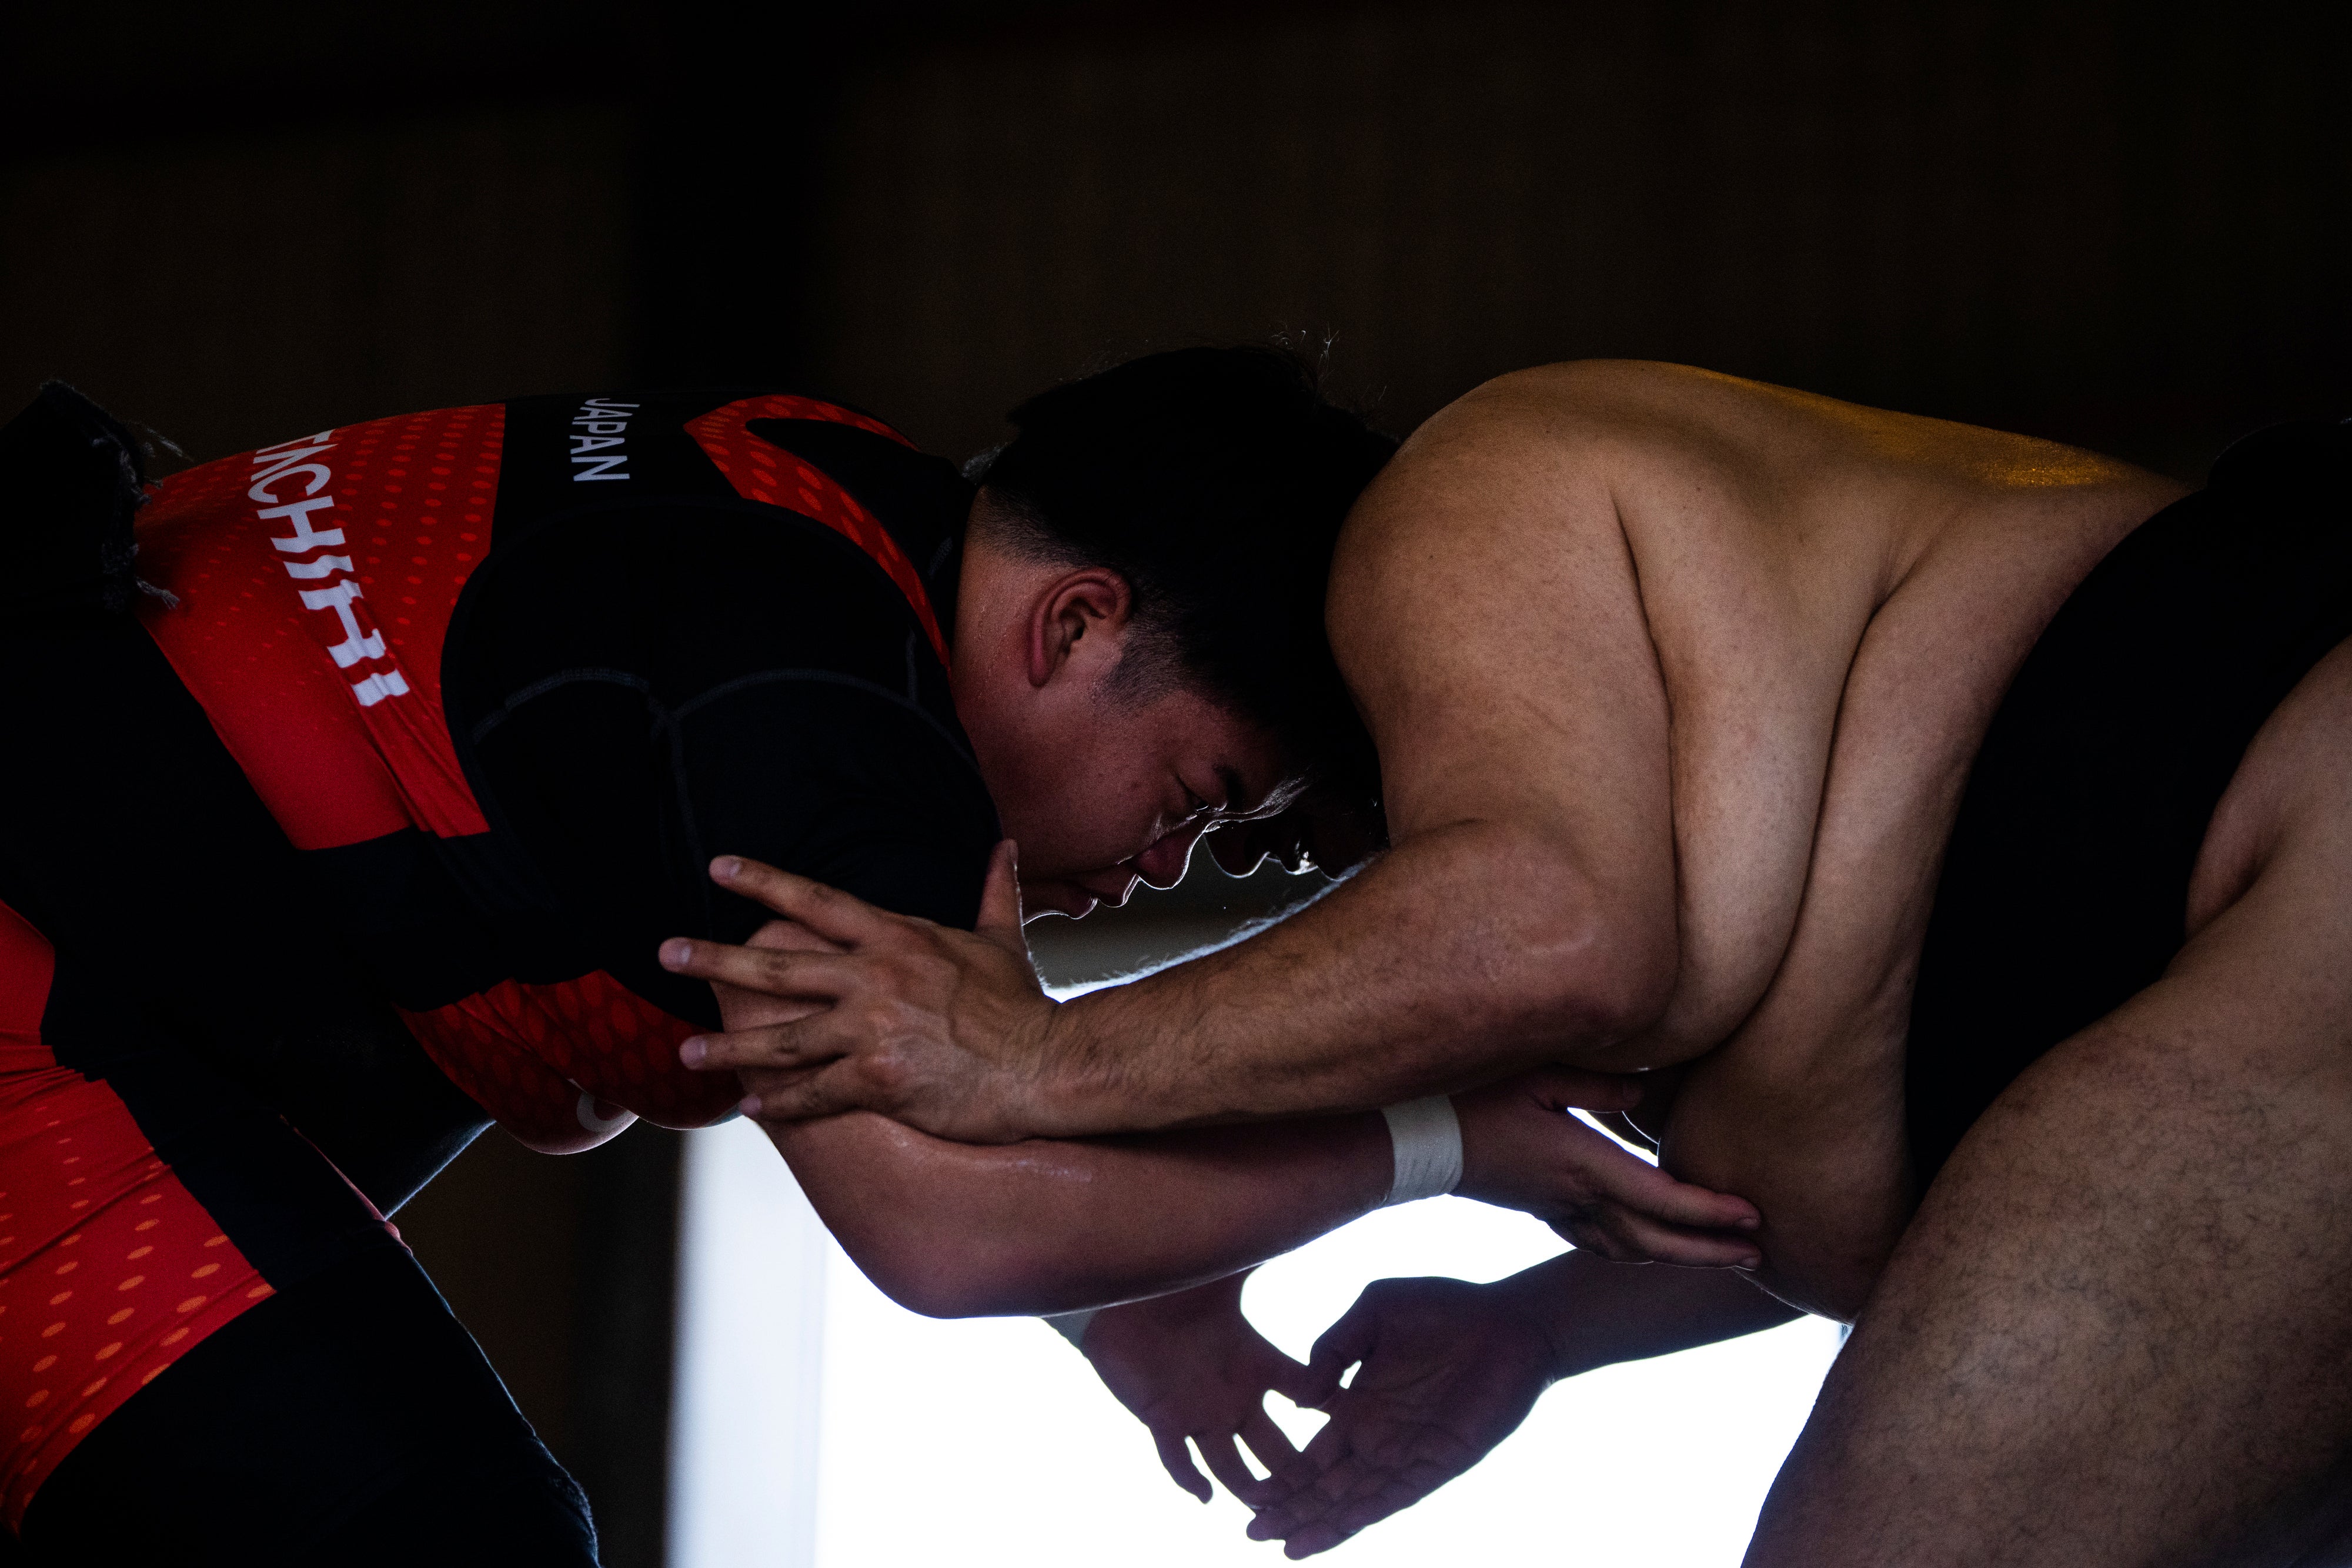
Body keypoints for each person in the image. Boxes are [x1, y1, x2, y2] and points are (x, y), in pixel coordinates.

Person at [0, 355, 1741, 1564]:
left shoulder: (808, 477)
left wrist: (1122, 1300)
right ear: (1075, 625)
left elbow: (929, 1107)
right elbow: (944, 1216)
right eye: (1195, 801)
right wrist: (1450, 1139)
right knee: (425, 1540)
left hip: (103, 993)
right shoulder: (830, 711)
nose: (1155, 866)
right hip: (33, 1007)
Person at [667, 359, 2352, 1565]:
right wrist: (1542, 1330)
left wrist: (1035, 1055)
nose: (1157, 871)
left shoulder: (1459, 501)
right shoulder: (1604, 754)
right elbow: (1870, 1191)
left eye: (1213, 808)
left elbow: (1560, 929)